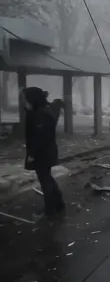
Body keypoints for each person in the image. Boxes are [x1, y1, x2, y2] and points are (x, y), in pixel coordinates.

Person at [23, 87, 65, 219]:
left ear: (32, 99)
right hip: (48, 150)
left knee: (44, 179)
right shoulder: (43, 111)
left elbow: (39, 137)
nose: (24, 102)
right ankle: (58, 204)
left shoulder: (40, 115)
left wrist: (32, 154)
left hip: (42, 151)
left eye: (26, 99)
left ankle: (49, 210)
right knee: (47, 177)